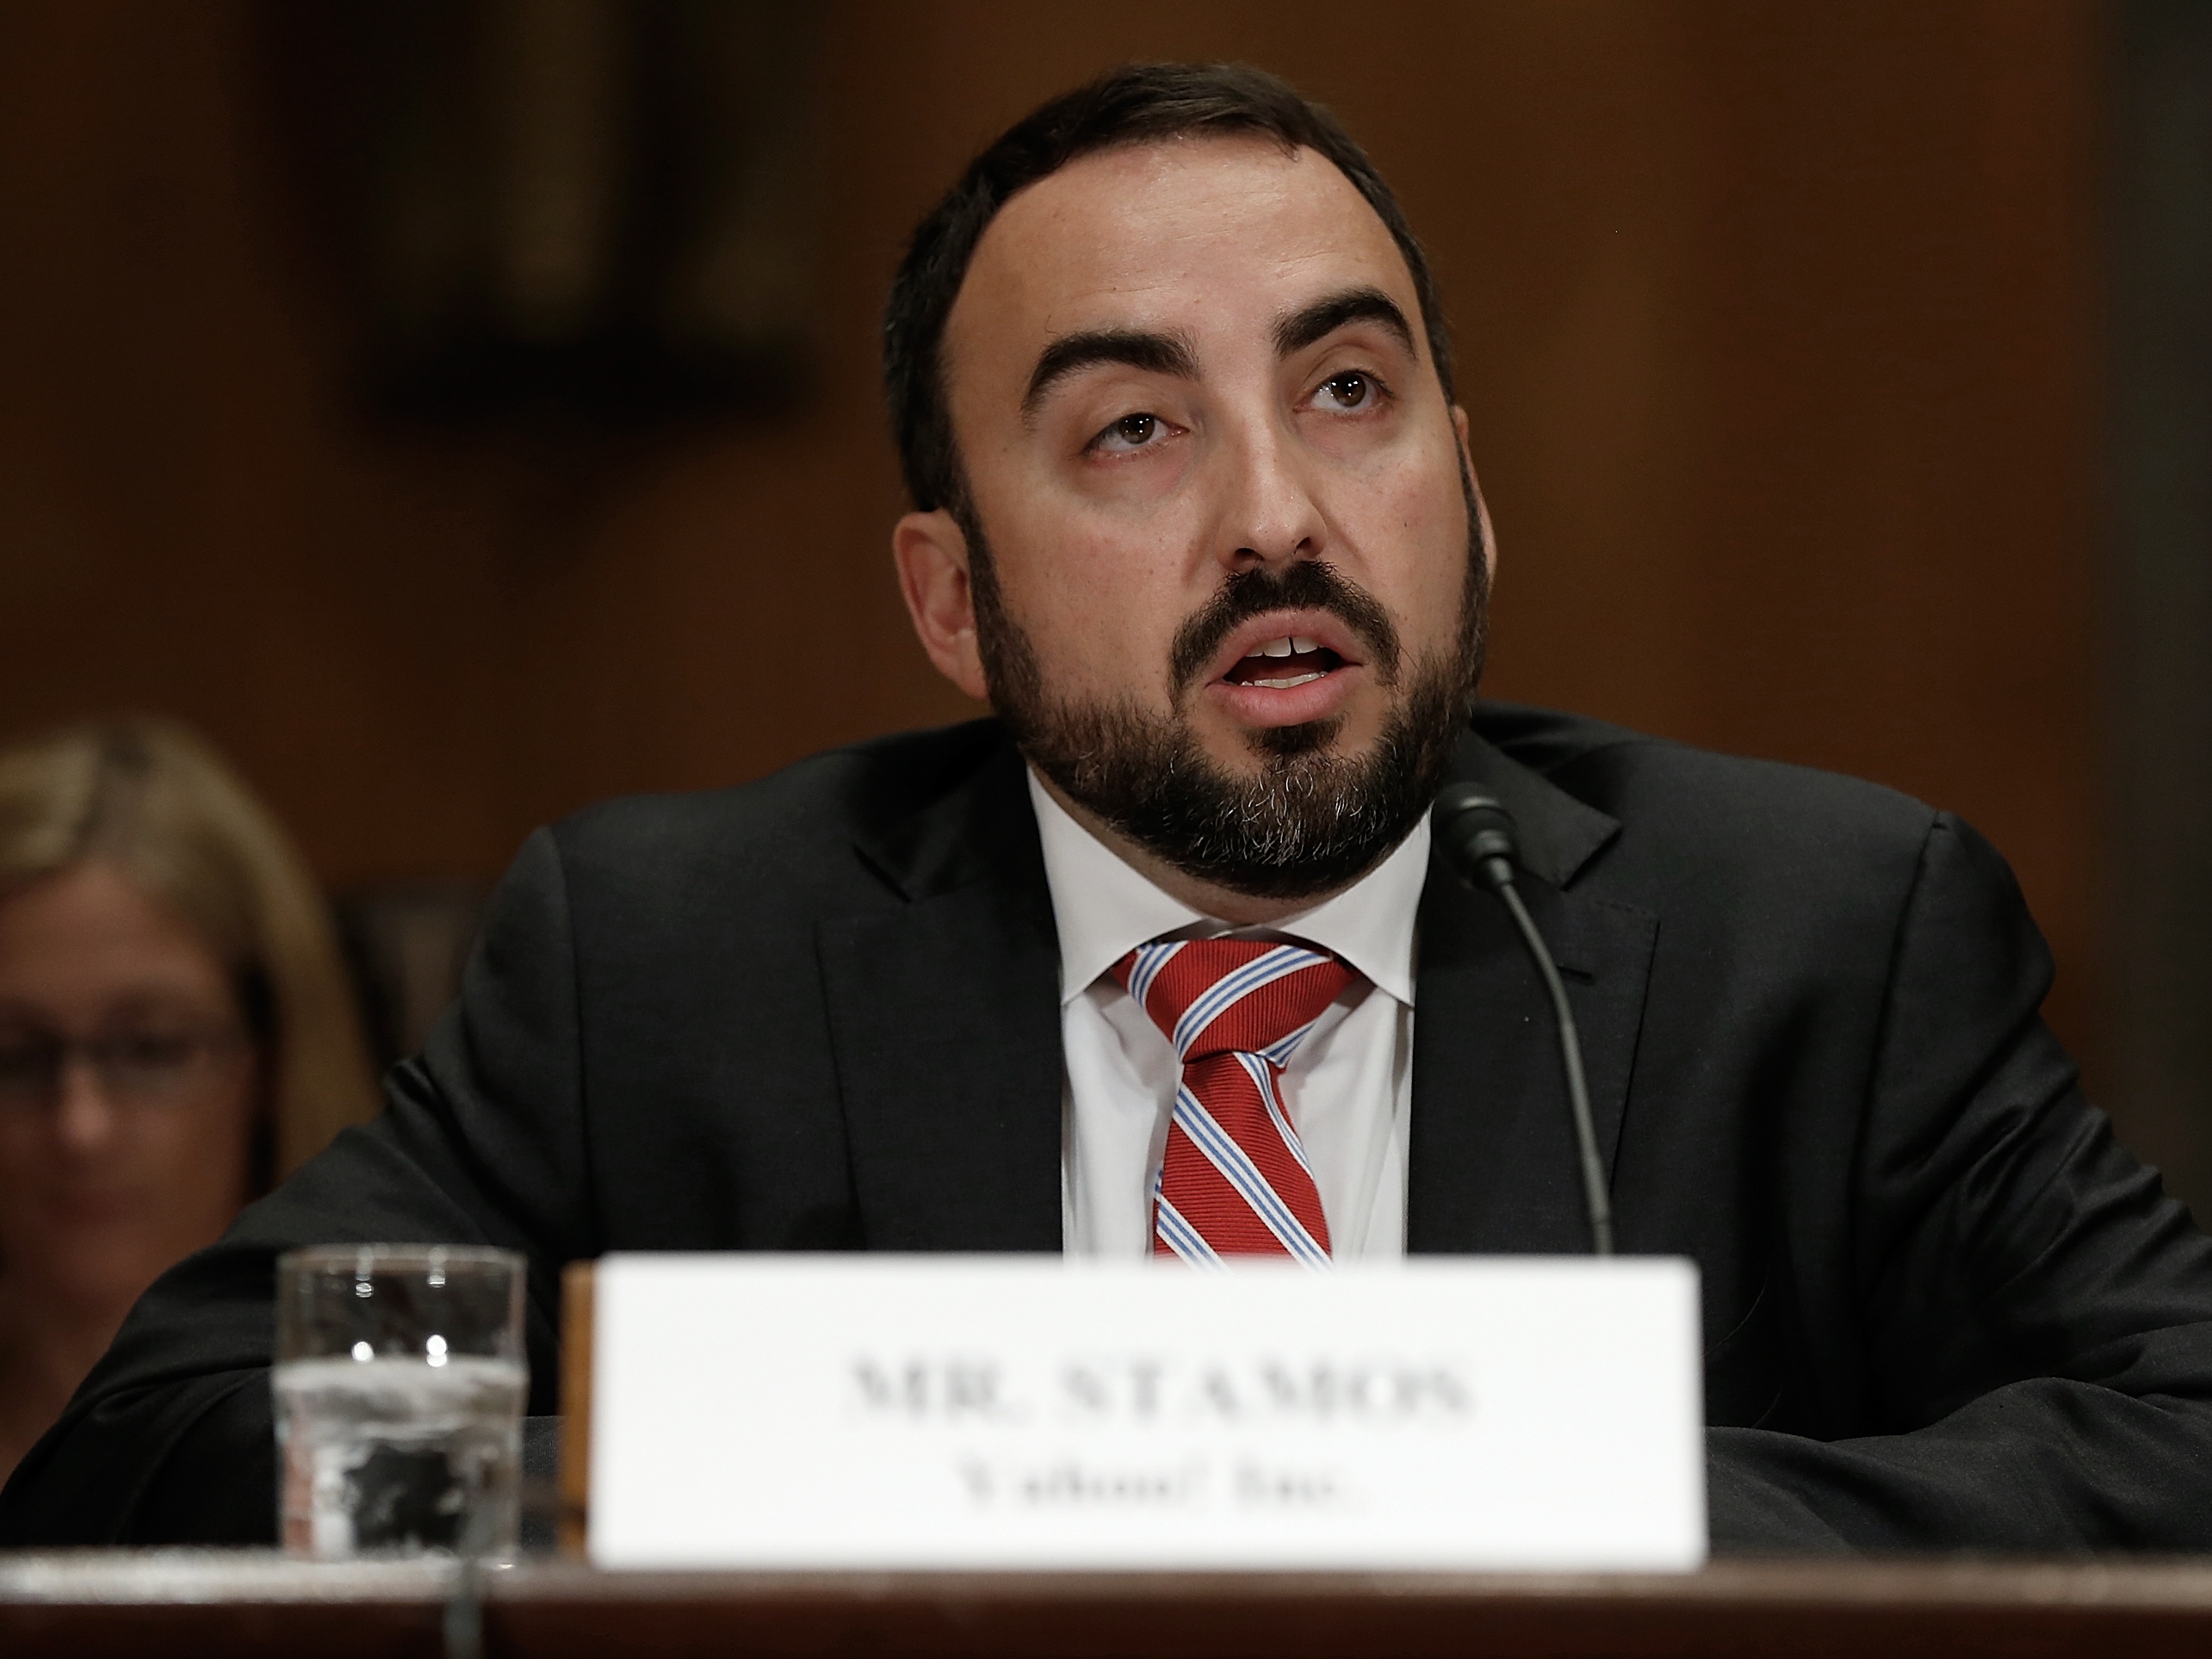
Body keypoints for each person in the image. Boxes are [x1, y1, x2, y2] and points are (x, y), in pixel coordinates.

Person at [7, 62, 2212, 1553]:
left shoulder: (1813, 937)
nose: (1279, 514)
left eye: (1349, 394)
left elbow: (2180, 1425)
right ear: (951, 599)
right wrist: (821, 1472)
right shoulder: (681, 961)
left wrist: (1542, 1491)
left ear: (1468, 481)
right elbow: (153, 1439)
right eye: (1136, 434)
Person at [0, 718, 378, 1483]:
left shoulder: (392, 1425)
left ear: (272, 1061)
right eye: (14, 1056)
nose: (82, 1126)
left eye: (150, 1049)